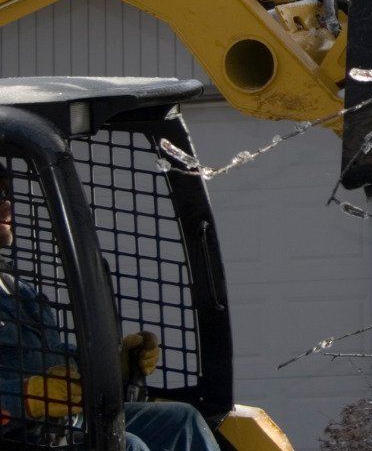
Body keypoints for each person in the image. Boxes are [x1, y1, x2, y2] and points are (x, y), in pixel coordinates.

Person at [0, 165, 221, 451]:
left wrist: (115, 365)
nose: (8, 206)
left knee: (182, 421)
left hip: (59, 426)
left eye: (6, 193)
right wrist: (28, 396)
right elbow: (35, 387)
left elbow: (49, 361)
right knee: (124, 446)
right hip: (18, 434)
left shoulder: (16, 290)